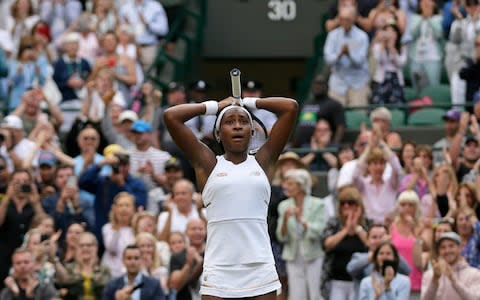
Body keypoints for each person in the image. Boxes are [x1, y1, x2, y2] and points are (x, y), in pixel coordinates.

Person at [163, 88, 298, 299]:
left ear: (252, 131)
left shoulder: (264, 161)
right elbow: (171, 116)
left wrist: (248, 102)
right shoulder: (207, 164)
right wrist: (215, 106)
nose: (237, 125)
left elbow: (290, 107)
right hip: (219, 269)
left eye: (243, 121)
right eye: (229, 121)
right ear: (218, 133)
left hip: (259, 267)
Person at [276, 169, 326, 300]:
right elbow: (281, 237)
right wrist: (285, 220)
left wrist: (301, 221)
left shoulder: (317, 204)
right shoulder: (284, 205)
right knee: (297, 296)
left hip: (313, 255)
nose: (286, 186)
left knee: (314, 295)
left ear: (301, 185)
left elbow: (319, 230)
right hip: (293, 255)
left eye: (290, 183)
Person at [320, 186, 370, 300]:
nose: (346, 206)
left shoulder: (367, 223)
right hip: (336, 280)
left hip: (359, 280)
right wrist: (346, 229)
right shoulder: (334, 223)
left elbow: (372, 245)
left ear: (358, 205)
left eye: (350, 202)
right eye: (343, 203)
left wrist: (357, 227)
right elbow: (326, 244)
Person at [0, 169, 45, 287]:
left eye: (25, 181)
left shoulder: (34, 204)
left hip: (30, 259)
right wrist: (6, 199)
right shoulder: (5, 204)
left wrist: (35, 201)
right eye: (17, 182)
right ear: (10, 184)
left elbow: (45, 226)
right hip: (4, 257)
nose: (21, 185)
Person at [324, 5, 371, 107]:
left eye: (347, 19)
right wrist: (339, 54)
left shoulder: (362, 36)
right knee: (334, 116)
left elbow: (360, 61)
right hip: (338, 83)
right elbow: (328, 59)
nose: (344, 22)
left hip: (358, 83)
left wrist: (349, 54)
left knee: (358, 116)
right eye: (341, 19)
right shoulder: (332, 35)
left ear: (354, 19)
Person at [347, 224, 411, 297]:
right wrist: (376, 253)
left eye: (382, 237)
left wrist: (391, 251)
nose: (378, 241)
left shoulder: (391, 257)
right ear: (367, 240)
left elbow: (407, 270)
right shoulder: (359, 257)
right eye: (374, 237)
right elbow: (350, 269)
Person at [421, 232, 480, 300]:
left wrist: (453, 280)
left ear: (460, 247)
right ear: (439, 251)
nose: (447, 251)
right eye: (443, 247)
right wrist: (435, 279)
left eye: (451, 246)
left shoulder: (475, 274)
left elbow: (475, 298)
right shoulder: (429, 275)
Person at [55, 232, 111, 300]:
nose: (85, 248)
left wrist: (90, 267)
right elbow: (63, 284)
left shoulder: (104, 269)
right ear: (76, 248)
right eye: (81, 245)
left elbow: (105, 289)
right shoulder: (68, 268)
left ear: (96, 247)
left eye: (89, 245)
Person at [295, 74, 346, 145]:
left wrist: (334, 146)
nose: (317, 86)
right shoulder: (306, 104)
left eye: (321, 84)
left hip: (322, 147)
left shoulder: (334, 104)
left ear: (327, 86)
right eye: (315, 83)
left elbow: (340, 127)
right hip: (302, 146)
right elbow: (300, 125)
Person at [408, 0, 444, 90]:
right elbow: (412, 34)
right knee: (417, 86)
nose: (426, 4)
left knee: (433, 87)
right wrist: (422, 18)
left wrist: (429, 19)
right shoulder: (415, 18)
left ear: (434, 4)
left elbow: (439, 34)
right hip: (416, 57)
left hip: (433, 57)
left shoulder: (439, 18)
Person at [370, 22, 408, 106]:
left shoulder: (402, 47)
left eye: (393, 32)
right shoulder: (378, 46)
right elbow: (379, 59)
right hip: (381, 80)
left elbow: (401, 63)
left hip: (396, 80)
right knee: (379, 105)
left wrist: (392, 48)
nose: (390, 34)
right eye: (387, 32)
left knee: (397, 106)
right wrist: (383, 45)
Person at [169, 218, 206, 300]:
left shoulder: (212, 253)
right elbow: (175, 286)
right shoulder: (177, 256)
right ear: (186, 232)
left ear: (206, 231)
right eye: (193, 229)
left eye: (200, 229)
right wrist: (188, 264)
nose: (197, 232)